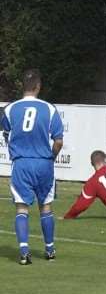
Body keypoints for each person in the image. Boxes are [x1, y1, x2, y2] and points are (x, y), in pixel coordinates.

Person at [1, 69, 64, 264]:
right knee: (45, 206)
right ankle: (50, 250)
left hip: (22, 163)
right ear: (38, 86)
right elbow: (58, 141)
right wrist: (51, 156)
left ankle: (24, 253)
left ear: (23, 86)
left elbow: (6, 134)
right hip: (44, 163)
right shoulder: (49, 109)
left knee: (22, 208)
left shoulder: (10, 109)